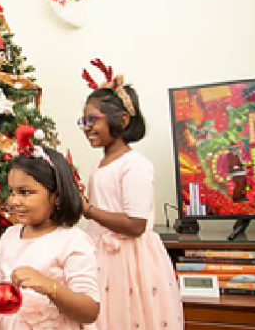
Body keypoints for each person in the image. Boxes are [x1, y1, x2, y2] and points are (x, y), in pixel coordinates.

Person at [78, 59, 184, 330]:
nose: (86, 127)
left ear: (122, 120)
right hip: (99, 256)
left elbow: (136, 225)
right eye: (83, 121)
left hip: (128, 263)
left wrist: (88, 210)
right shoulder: (98, 166)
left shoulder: (134, 165)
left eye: (92, 120)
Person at [0, 126, 100, 330]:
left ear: (57, 197)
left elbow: (90, 311)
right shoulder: (10, 236)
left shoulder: (72, 241)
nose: (14, 201)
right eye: (12, 192)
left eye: (25, 192)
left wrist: (49, 286)